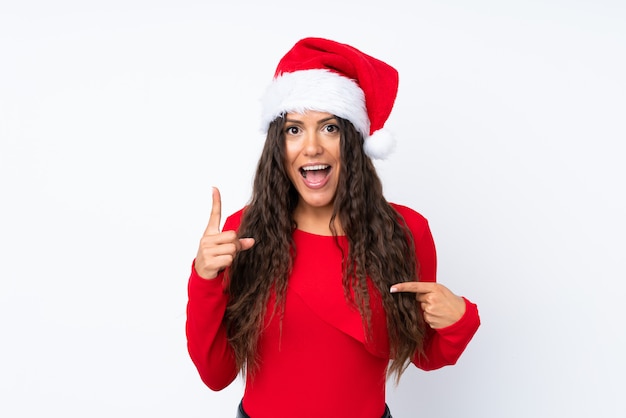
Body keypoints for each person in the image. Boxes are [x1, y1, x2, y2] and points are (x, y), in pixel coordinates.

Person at [186, 37, 480, 418]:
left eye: (329, 128)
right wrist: (204, 277)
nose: (311, 147)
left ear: (354, 140)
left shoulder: (405, 231)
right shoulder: (243, 232)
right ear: (279, 145)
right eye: (294, 130)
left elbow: (423, 353)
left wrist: (459, 320)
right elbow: (216, 374)